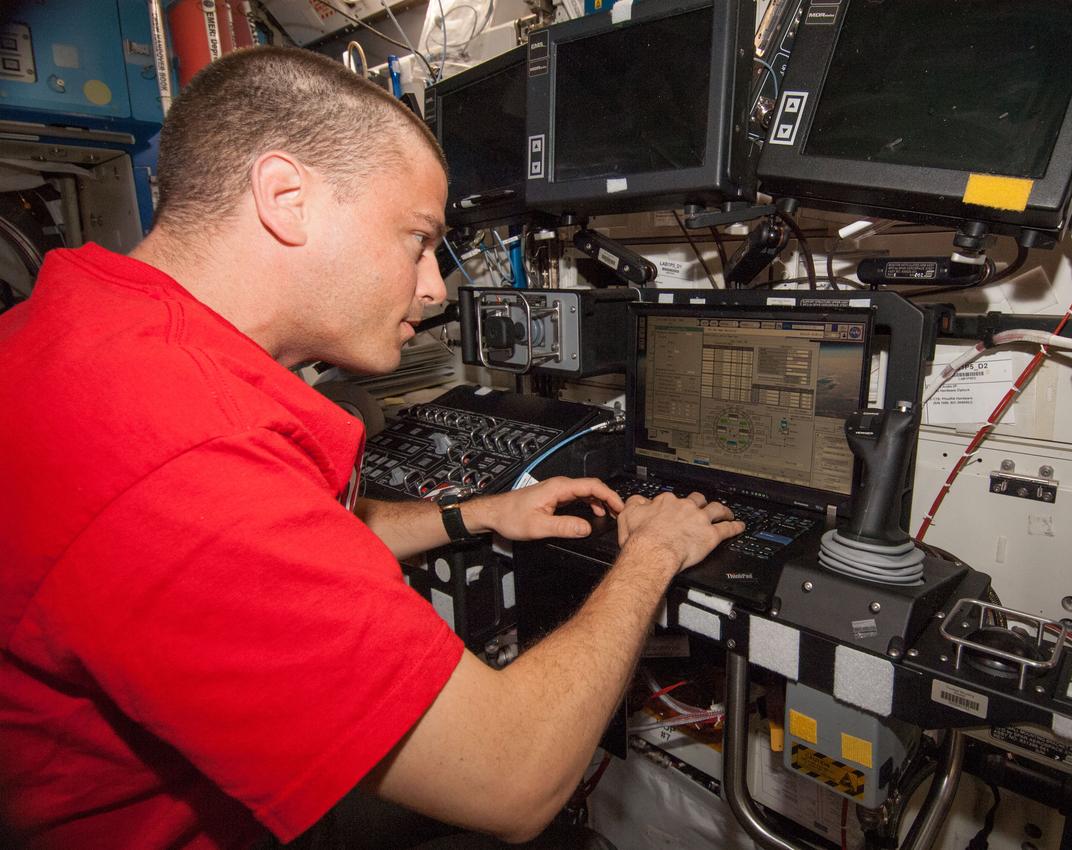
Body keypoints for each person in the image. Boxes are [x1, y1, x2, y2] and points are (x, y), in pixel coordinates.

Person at [0, 46, 744, 849]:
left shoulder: (88, 327)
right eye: (417, 239)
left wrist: (479, 512)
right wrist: (653, 555)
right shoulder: (180, 451)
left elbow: (300, 540)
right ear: (287, 199)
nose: (432, 289)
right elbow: (515, 776)